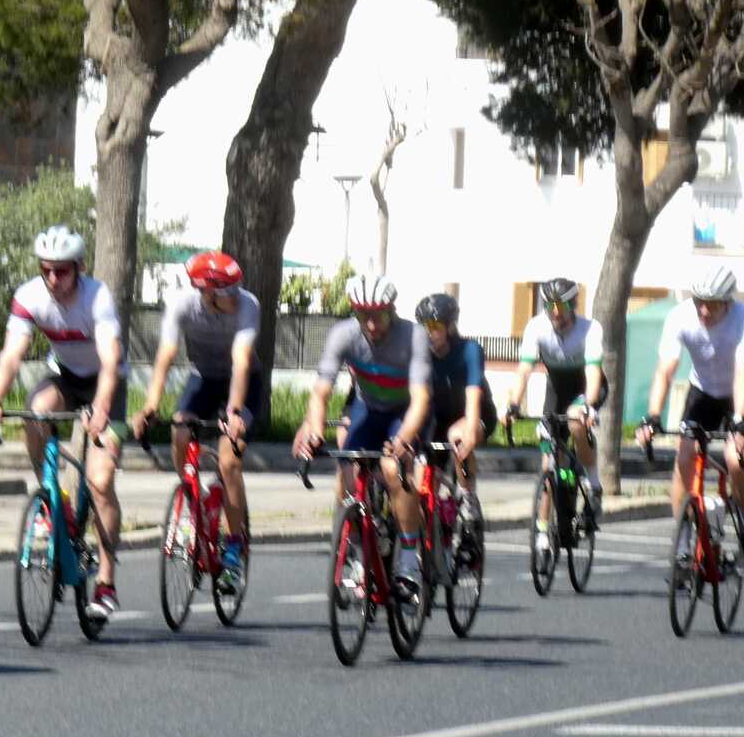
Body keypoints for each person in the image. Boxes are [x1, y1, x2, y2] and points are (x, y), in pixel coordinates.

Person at [0, 226, 127, 619]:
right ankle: (52, 498)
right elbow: (11, 355)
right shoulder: (30, 295)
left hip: (106, 384)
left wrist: (102, 408)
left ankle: (106, 582)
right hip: (66, 377)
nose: (54, 279)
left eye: (62, 271)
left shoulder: (97, 297)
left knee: (100, 481)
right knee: (36, 411)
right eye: (46, 270)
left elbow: (110, 362)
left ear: (80, 268)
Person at [291, 273, 434, 590]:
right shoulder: (343, 334)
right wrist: (314, 430)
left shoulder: (414, 336)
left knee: (393, 469)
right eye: (363, 315)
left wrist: (403, 439)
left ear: (392, 310)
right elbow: (321, 392)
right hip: (368, 408)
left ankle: (409, 555)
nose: (371, 324)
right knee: (346, 469)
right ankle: (357, 548)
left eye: (378, 315)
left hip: (405, 411)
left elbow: (421, 399)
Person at [131, 250, 261, 589]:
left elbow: (241, 360)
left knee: (229, 460)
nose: (235, 297)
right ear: (206, 293)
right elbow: (166, 356)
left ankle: (233, 548)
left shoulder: (248, 305)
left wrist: (234, 412)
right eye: (228, 292)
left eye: (236, 289)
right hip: (203, 377)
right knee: (179, 430)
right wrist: (150, 405)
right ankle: (192, 501)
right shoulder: (182, 305)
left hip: (244, 381)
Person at [636, 265, 744, 571]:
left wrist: (739, 419)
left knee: (735, 458)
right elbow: (665, 370)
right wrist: (653, 416)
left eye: (712, 305)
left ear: (728, 303)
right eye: (699, 303)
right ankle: (683, 541)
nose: (704, 311)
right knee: (685, 454)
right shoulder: (680, 317)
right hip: (704, 391)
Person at [503, 278, 607, 545]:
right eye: (550, 306)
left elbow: (593, 373)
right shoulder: (536, 327)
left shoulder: (590, 329)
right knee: (549, 464)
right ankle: (542, 531)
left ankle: (593, 486)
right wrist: (513, 404)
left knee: (576, 422)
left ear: (573, 305)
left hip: (586, 388)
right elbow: (524, 370)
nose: (556, 313)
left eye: (561, 306)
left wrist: (588, 406)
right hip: (557, 390)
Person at [416, 293, 495, 511]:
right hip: (438, 420)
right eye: (423, 326)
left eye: (434, 326)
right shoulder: (421, 355)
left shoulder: (469, 350)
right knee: (421, 486)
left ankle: (468, 498)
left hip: (475, 413)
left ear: (450, 326)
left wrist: (470, 430)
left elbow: (473, 397)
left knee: (458, 436)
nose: (428, 332)